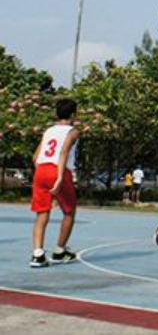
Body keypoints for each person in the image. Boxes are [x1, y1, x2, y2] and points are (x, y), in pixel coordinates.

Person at [30, 98, 81, 268]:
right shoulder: (73, 131)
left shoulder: (48, 131)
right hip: (58, 170)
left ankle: (37, 254)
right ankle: (59, 251)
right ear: (73, 114)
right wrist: (59, 177)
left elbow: (35, 157)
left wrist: (42, 174)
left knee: (42, 213)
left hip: (41, 171)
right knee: (69, 211)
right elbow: (64, 152)